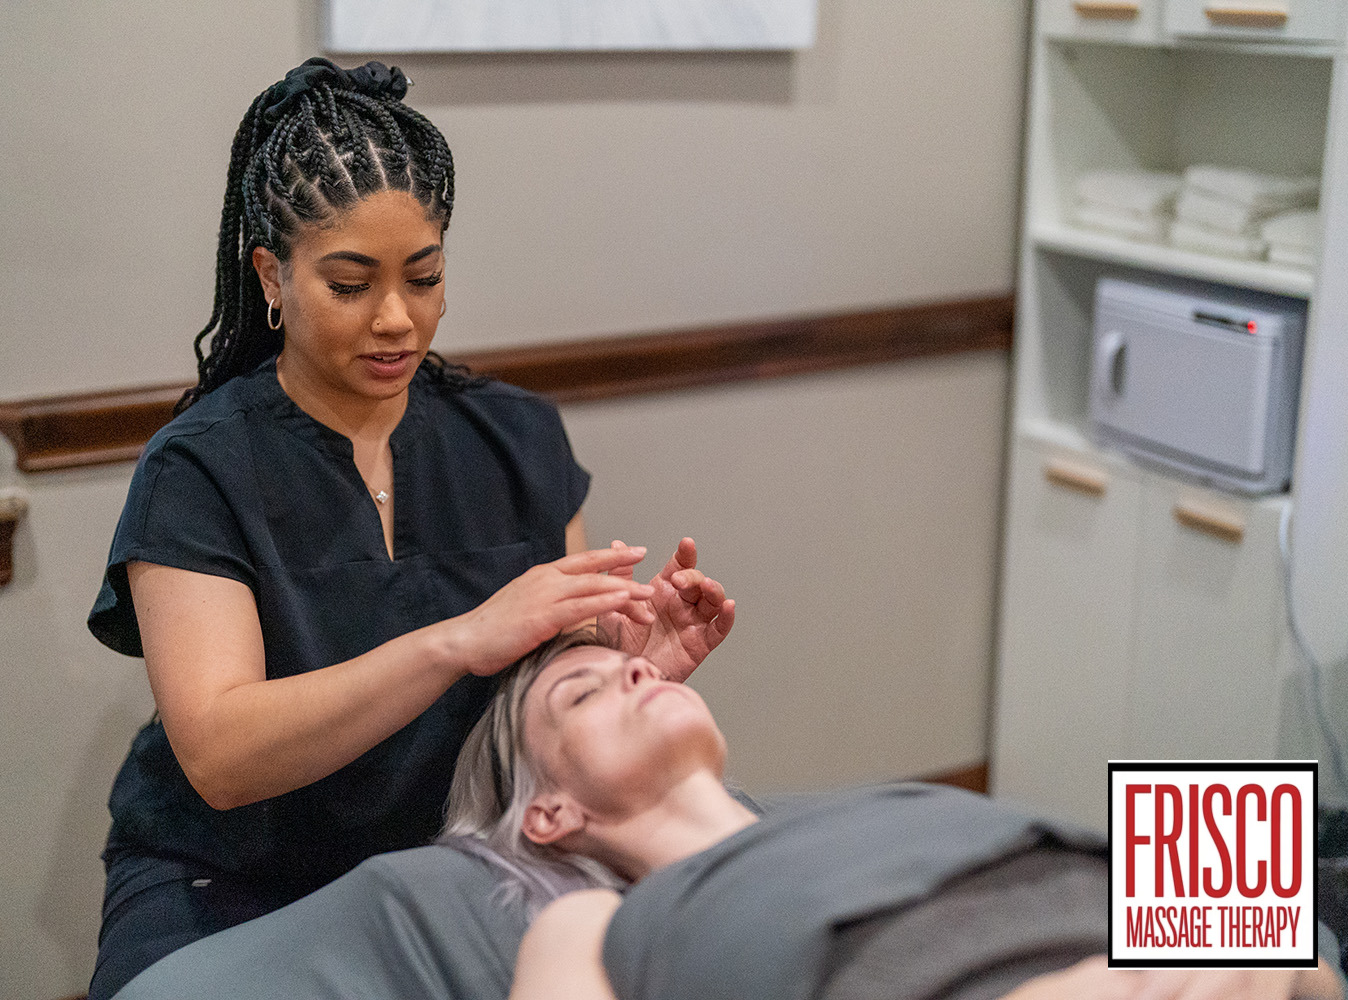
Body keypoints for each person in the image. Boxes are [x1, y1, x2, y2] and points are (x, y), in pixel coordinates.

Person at [84, 58, 736, 1000]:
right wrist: (455, 644)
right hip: (232, 879)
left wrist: (617, 662)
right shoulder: (201, 470)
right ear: (272, 274)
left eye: (423, 277)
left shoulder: (513, 436)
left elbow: (535, 684)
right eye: (350, 284)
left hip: (463, 854)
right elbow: (222, 757)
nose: (397, 319)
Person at [441, 632, 1346, 1000]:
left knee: (1294, 833)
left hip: (1205, 959)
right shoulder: (593, 921)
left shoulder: (881, 802)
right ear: (549, 812)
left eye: (634, 666)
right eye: (582, 693)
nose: (637, 670)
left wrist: (1266, 963)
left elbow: (1295, 946)